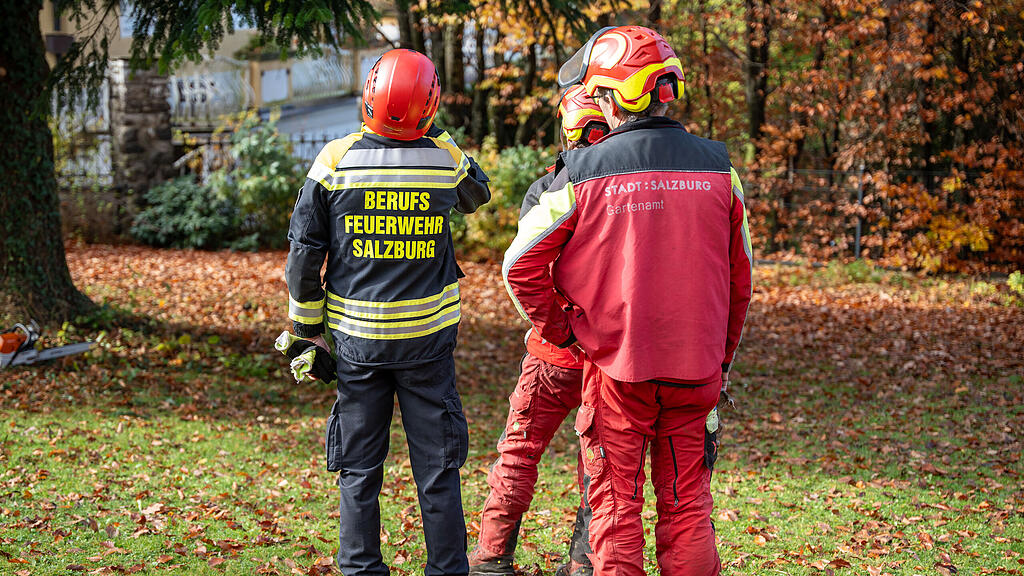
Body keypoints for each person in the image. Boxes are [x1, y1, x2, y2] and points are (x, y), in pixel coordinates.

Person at [502, 26, 753, 576]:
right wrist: (723, 358)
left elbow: (517, 264)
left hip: (619, 370)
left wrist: (564, 327)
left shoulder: (583, 172)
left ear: (618, 95)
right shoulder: (719, 170)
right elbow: (741, 280)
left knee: (616, 508)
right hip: (697, 370)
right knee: (688, 508)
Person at [285, 48, 491, 576]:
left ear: (369, 97)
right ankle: (447, 570)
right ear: (430, 104)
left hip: (357, 346)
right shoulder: (443, 161)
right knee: (438, 470)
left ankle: (359, 568)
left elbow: (306, 253)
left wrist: (307, 332)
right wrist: (440, 135)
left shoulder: (334, 161)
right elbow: (477, 195)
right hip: (428, 347)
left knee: (358, 469)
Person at [468, 84, 609, 576]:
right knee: (599, 462)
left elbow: (526, 266)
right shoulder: (626, 188)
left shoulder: (548, 187)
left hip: (558, 349)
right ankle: (585, 561)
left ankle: (492, 554)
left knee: (520, 448)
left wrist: (556, 326)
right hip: (604, 352)